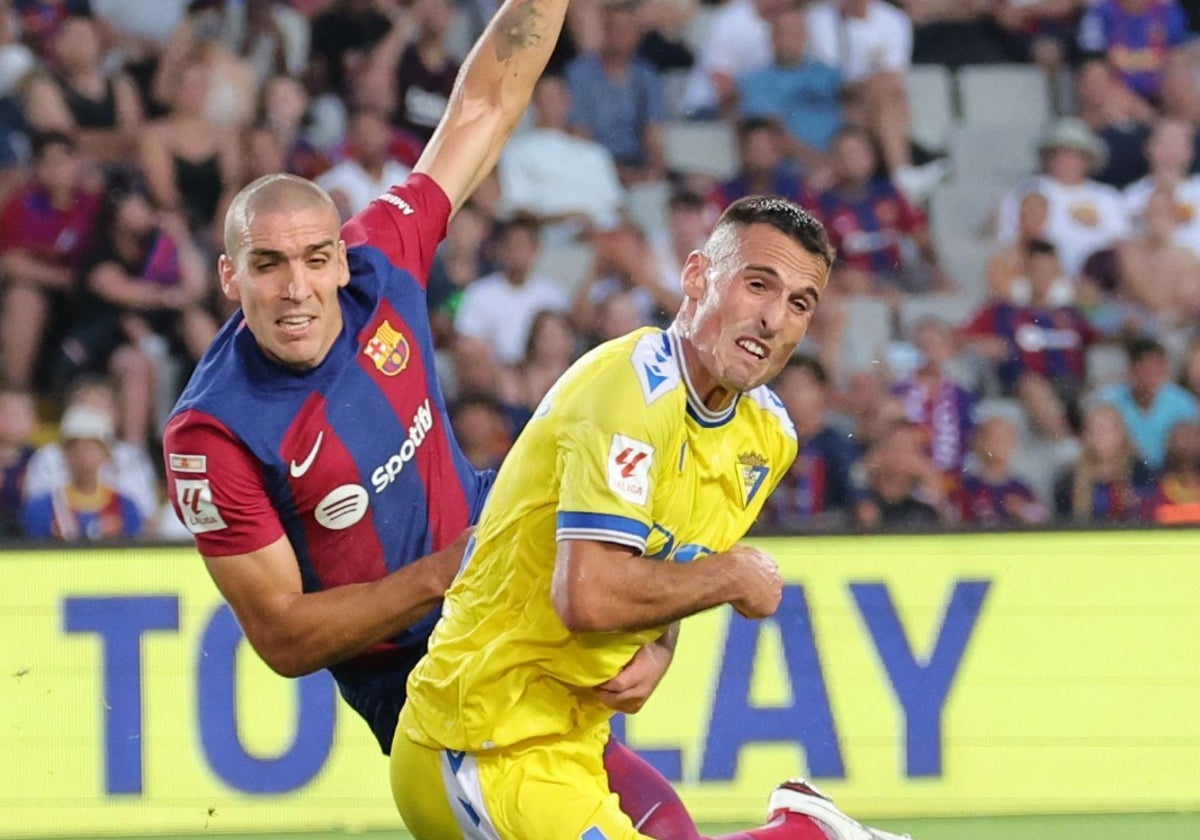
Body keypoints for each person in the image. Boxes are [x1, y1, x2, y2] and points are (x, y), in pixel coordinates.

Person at [163, 3, 829, 838]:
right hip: (417, 662)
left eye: (313, 259)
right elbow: (285, 639)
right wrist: (444, 572)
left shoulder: (382, 261)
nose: (296, 288)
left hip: (515, 569)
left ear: (340, 258)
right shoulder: (212, 433)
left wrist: (660, 643)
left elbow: (483, 101)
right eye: (267, 266)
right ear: (230, 277)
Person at [394, 196, 909, 840]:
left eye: (801, 303)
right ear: (696, 277)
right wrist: (731, 577)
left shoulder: (768, 435)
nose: (774, 318)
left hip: (580, 737)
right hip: (479, 744)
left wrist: (665, 645)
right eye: (758, 284)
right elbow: (588, 595)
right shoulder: (629, 391)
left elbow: (667, 565)